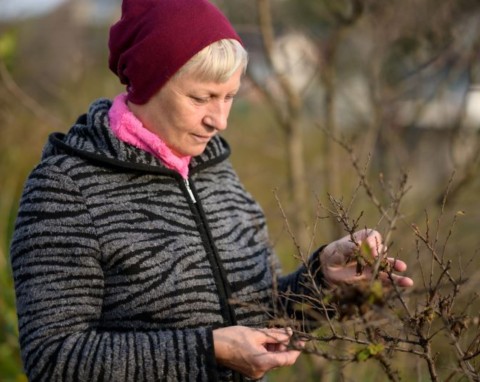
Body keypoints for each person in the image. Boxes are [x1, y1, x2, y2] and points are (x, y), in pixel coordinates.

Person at [9, 1, 413, 381]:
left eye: (229, 97)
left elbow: (260, 311)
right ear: (147, 84)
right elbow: (53, 359)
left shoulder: (215, 169)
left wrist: (321, 279)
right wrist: (207, 350)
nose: (219, 119)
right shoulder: (65, 188)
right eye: (201, 98)